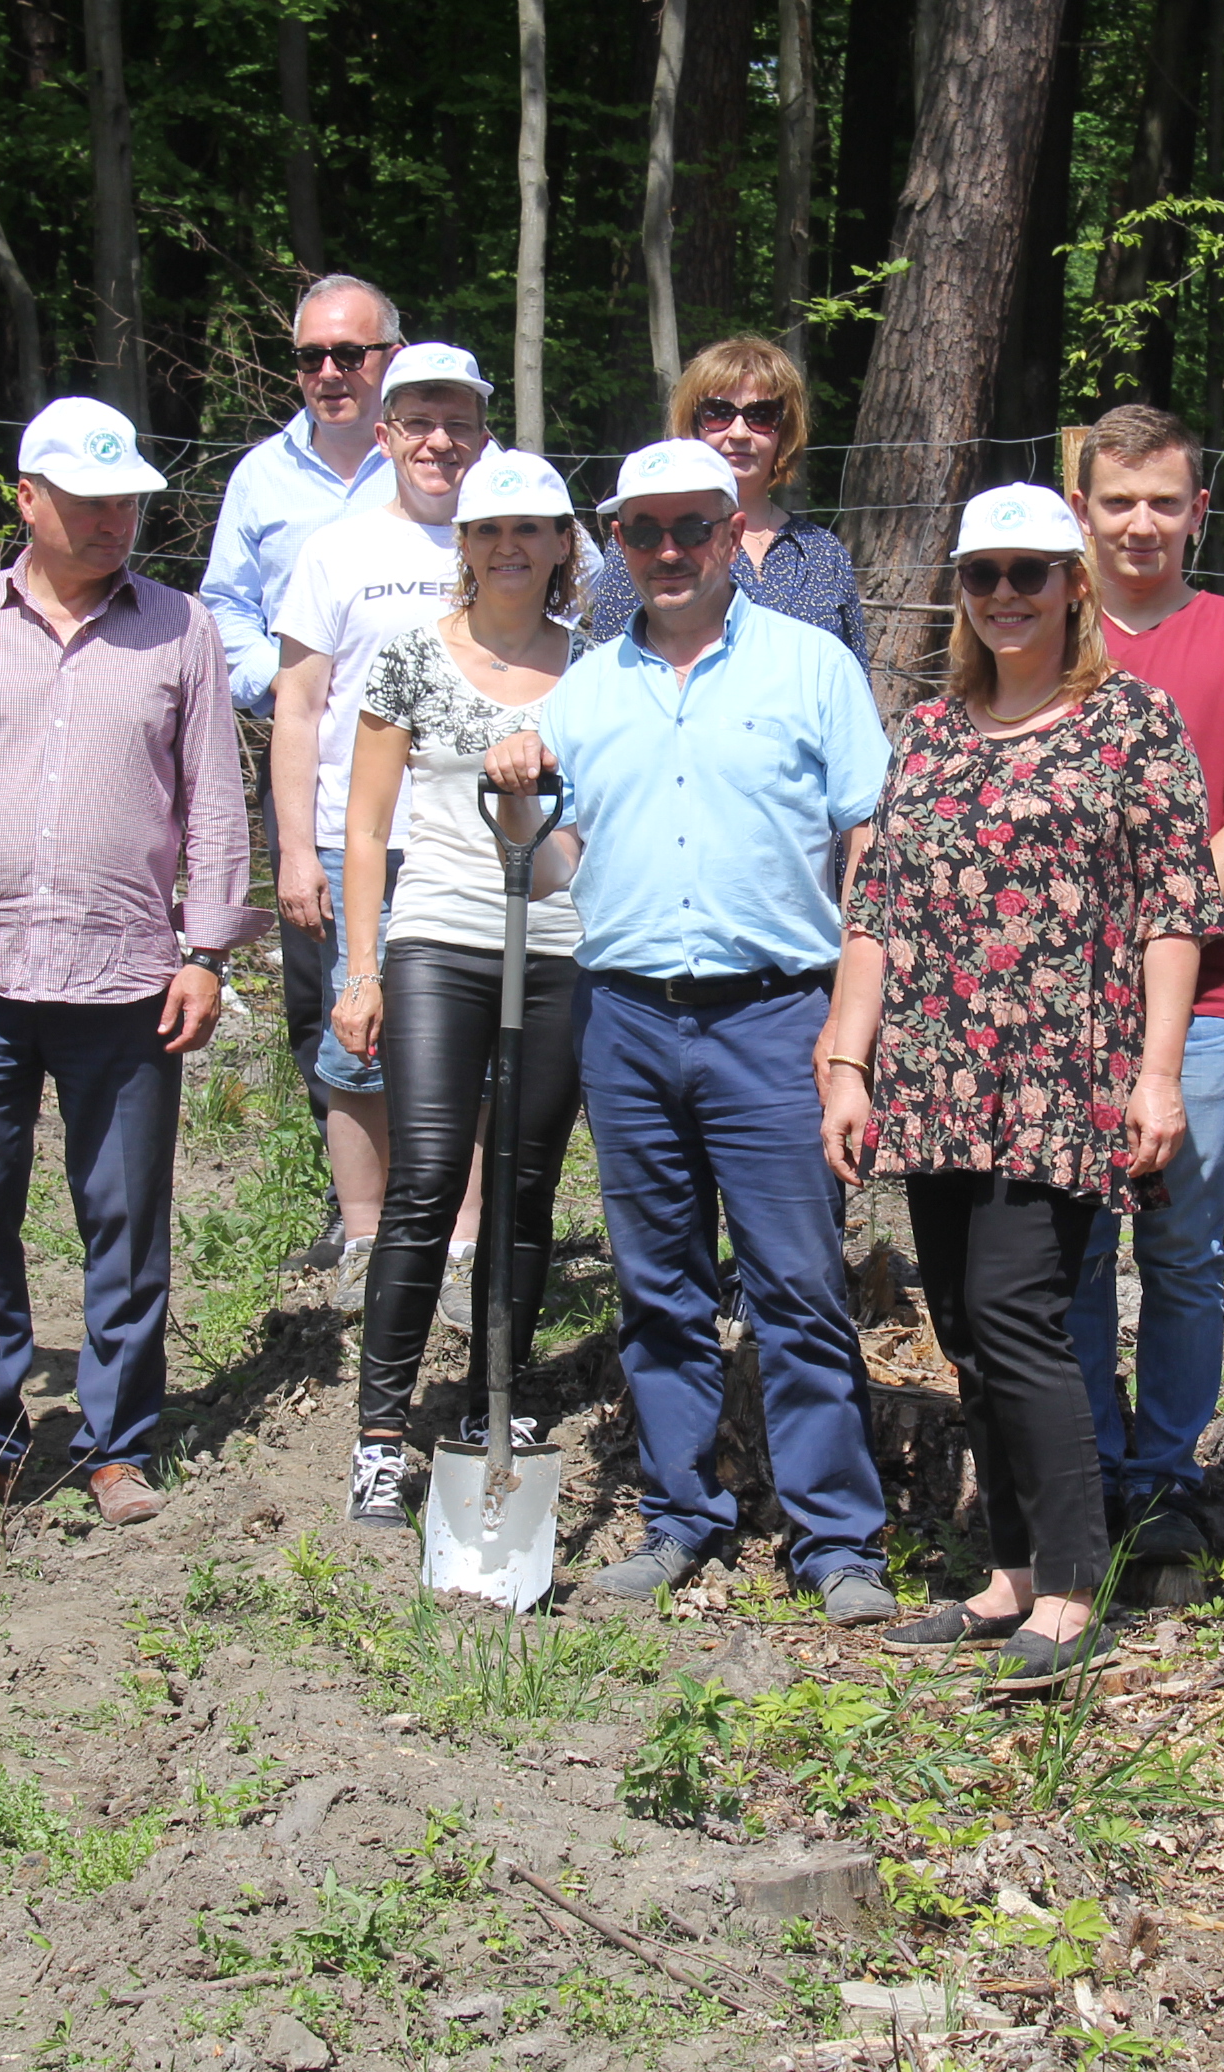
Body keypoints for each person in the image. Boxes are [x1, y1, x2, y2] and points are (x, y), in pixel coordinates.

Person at [480, 437, 896, 1624]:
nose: (669, 551)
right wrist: (518, 806)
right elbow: (554, 871)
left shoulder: (813, 667)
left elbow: (870, 842)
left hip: (776, 1014)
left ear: (730, 531)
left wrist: (852, 1023)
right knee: (656, 1285)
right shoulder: (583, 691)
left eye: (691, 527)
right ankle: (681, 1518)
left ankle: (836, 1541)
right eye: (643, 531)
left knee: (798, 1285)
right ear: (615, 542)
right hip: (626, 1017)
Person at [822, 484, 1219, 1688]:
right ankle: (1006, 1574)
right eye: (982, 574)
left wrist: (1159, 1075)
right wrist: (848, 1062)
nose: (1004, 595)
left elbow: (1171, 910)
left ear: (1073, 585)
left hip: (1061, 1075)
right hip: (935, 1074)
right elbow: (877, 910)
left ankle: (1072, 1586)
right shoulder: (930, 733)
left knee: (1018, 1313)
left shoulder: (1132, 722)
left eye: (1028, 573)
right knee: (961, 1320)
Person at [0, 398, 268, 1528]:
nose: (113, 521)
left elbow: (215, 800)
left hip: (126, 975)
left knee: (125, 1221)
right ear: (28, 500)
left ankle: (116, 1447)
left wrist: (207, 953)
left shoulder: (179, 629)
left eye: (127, 502)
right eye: (89, 503)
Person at [1056, 407, 1224, 1563]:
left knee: (1180, 1251)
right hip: (1053, 1011)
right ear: (1081, 510)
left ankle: (1163, 1477)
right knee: (1067, 1253)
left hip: (1203, 1003)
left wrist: (1133, 933)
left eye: (1165, 501)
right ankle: (1082, 1464)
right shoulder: (1041, 630)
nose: (1141, 523)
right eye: (1118, 502)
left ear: (1200, 510)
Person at [332, 449, 594, 1529]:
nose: (509, 547)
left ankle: (499, 1400)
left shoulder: (598, 668)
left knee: (527, 1185)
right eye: (489, 529)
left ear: (564, 543)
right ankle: (380, 1432)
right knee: (430, 1174)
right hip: (439, 937)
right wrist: (360, 969)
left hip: (560, 943)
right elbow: (365, 827)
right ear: (464, 544)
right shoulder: (410, 657)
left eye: (531, 529)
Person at [269, 343, 506, 1314]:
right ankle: (366, 1241)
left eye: (457, 423)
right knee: (357, 1044)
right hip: (353, 839)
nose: (438, 442)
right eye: (418, 423)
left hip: (479, 841)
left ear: (484, 437)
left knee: (474, 1055)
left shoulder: (507, 546)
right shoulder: (337, 552)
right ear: (385, 435)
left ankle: (463, 1248)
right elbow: (297, 706)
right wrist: (295, 849)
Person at [202, 276, 404, 1211]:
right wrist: (280, 681)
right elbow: (224, 605)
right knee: (319, 995)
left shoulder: (439, 460)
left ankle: (447, 1208)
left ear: (390, 357)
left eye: (349, 354)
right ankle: (350, 1205)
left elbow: (561, 575)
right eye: (310, 356)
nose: (329, 373)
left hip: (434, 781)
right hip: (311, 773)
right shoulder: (262, 476)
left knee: (438, 988)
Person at [583, 335, 863, 656]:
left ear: (784, 431)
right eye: (718, 413)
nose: (739, 432)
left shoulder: (824, 554)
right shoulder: (644, 544)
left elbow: (852, 675)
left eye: (762, 415)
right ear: (693, 424)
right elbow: (612, 665)